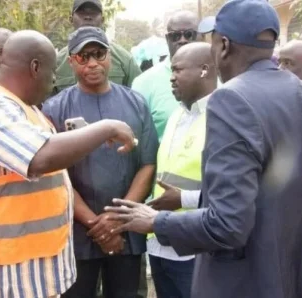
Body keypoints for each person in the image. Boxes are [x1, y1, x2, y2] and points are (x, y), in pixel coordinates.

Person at [104, 1, 302, 297]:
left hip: (258, 281)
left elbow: (228, 224)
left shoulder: (230, 100)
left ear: (224, 46)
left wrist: (156, 221)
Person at [0, 30, 138, 298]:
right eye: (52, 71)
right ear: (35, 67)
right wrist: (107, 127)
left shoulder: (25, 110)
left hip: (33, 272)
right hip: (7, 277)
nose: (53, 80)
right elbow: (41, 156)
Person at [43, 26, 158, 298]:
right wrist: (97, 225)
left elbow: (147, 164)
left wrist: (117, 221)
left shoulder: (136, 103)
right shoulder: (54, 108)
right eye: (83, 57)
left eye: (99, 54)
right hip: (77, 235)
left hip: (126, 231)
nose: (92, 63)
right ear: (71, 61)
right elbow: (53, 174)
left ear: (110, 57)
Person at [146, 42, 217, 298]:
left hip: (196, 246)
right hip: (160, 241)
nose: (172, 78)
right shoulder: (177, 114)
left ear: (204, 70)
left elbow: (228, 192)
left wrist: (182, 199)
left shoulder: (223, 117)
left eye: (178, 70)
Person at [132, 10, 199, 141]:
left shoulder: (218, 76)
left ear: (202, 36)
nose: (182, 40)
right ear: (167, 39)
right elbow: (137, 138)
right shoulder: (144, 83)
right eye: (175, 36)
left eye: (189, 34)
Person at [53, 0, 141, 95]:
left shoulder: (124, 59)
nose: (88, 17)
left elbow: (138, 96)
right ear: (71, 19)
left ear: (102, 20)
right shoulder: (56, 63)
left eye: (93, 13)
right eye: (81, 13)